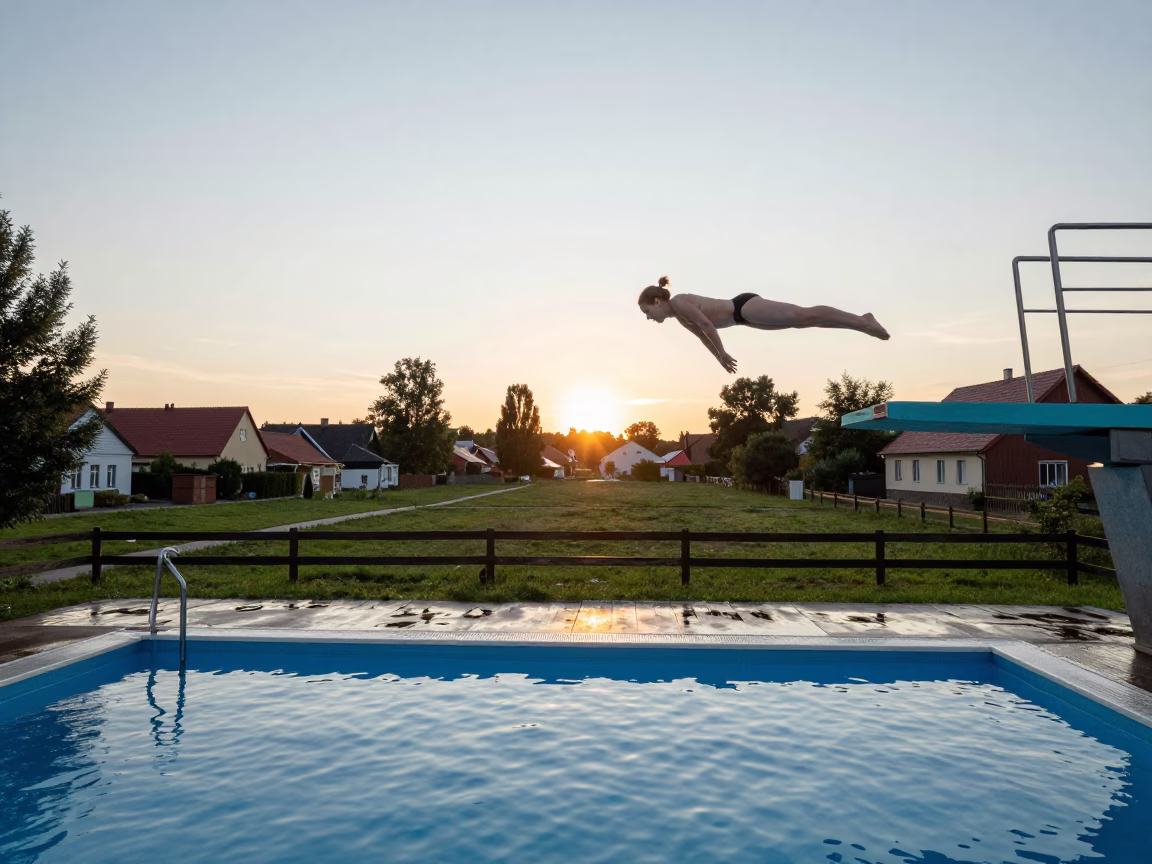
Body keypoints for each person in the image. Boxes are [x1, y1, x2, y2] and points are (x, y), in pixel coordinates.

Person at [637, 276, 889, 373]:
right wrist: (720, 358)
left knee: (801, 315)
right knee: (803, 324)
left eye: (647, 311)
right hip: (744, 319)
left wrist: (723, 352)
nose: (649, 317)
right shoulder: (680, 317)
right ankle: (860, 325)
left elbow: (707, 326)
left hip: (743, 307)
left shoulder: (680, 302)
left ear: (657, 301)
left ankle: (862, 320)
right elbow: (703, 337)